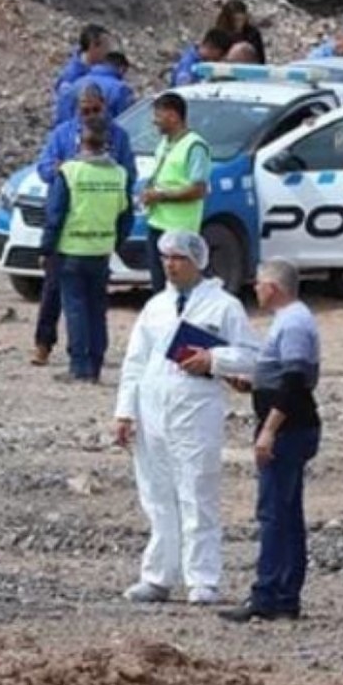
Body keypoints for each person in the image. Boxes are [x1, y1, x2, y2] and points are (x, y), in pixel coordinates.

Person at [113, 231, 257, 606]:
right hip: (153, 409)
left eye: (178, 258)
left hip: (195, 408)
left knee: (197, 492)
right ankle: (158, 575)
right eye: (166, 258)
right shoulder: (156, 307)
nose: (170, 265)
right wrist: (125, 411)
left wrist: (215, 361)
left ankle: (202, 578)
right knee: (157, 494)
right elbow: (135, 362)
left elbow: (251, 355)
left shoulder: (224, 306)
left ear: (197, 262)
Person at [220, 259, 322, 623]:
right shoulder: (293, 319)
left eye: (260, 283)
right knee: (287, 512)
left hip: (289, 430)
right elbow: (283, 377)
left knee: (274, 513)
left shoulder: (293, 323)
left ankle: (267, 594)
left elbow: (295, 381)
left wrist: (269, 429)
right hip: (292, 426)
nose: (255, 288)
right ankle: (284, 595)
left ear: (274, 287)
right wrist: (252, 384)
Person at [30, 89, 137, 367]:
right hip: (71, 233)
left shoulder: (119, 138)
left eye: (94, 110)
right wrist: (60, 168)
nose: (89, 115)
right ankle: (45, 344)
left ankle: (82, 361)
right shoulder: (63, 135)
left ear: (104, 107)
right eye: (85, 110)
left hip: (91, 236)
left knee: (84, 305)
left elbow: (127, 185)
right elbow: (44, 169)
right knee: (54, 294)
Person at [140, 91, 209, 295]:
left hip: (179, 228)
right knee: (159, 285)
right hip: (157, 222)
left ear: (173, 115)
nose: (154, 121)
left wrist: (161, 195)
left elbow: (198, 189)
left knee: (178, 286)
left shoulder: (195, 146)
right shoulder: (165, 143)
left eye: (158, 116)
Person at [54, 49, 134, 126]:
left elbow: (64, 115)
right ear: (121, 69)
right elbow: (127, 120)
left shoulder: (77, 82)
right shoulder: (120, 88)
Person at [54, 24, 112, 103]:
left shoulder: (107, 69)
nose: (109, 51)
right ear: (93, 46)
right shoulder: (71, 76)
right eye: (106, 47)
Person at [213, 0, 268, 64]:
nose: (239, 23)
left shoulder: (253, 33)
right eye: (236, 20)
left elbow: (261, 59)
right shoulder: (219, 33)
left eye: (242, 19)